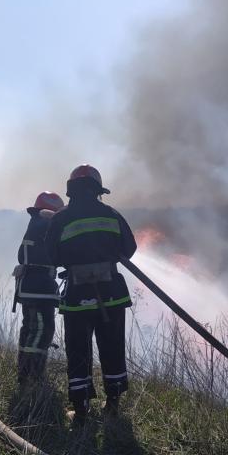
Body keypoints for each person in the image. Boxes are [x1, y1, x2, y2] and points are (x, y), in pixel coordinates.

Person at [46, 165, 137, 423]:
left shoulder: (61, 218)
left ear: (71, 189)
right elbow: (129, 248)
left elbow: (51, 255)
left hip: (77, 296)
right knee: (112, 346)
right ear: (98, 188)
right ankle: (113, 404)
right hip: (112, 294)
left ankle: (81, 408)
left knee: (78, 350)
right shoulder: (111, 214)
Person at [13, 191, 65, 386]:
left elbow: (22, 256)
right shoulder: (45, 222)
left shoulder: (35, 224)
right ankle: (33, 376)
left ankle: (24, 373)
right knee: (42, 330)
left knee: (30, 329)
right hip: (40, 289)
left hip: (29, 287)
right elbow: (60, 251)